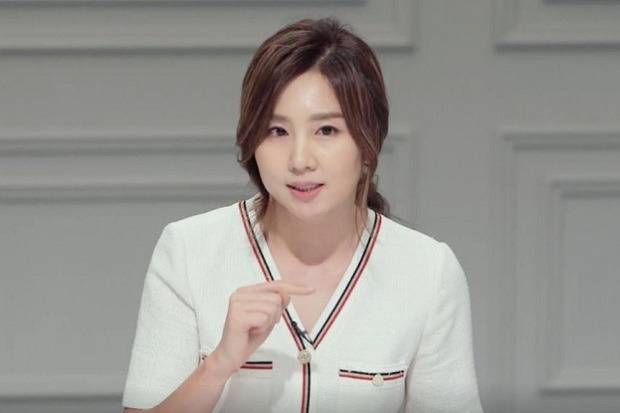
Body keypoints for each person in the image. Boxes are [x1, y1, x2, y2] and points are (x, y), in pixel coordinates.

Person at [122, 17, 483, 413]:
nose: (299, 160)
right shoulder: (188, 252)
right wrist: (219, 364)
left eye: (326, 130)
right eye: (277, 131)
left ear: (368, 142)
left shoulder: (428, 271)